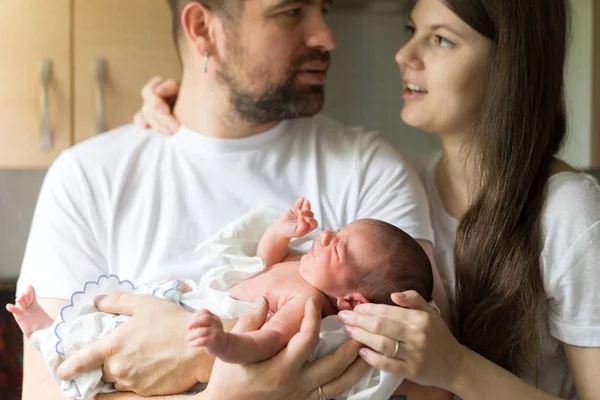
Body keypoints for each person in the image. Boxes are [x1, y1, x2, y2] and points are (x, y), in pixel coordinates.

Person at [136, 0, 600, 398]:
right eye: (410, 30)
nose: (404, 54)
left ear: (509, 66)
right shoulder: (400, 182)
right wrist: (186, 105)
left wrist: (457, 367)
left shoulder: (569, 214)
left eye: (441, 40)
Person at [16, 0, 452, 399]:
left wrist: (205, 355)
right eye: (292, 11)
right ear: (202, 27)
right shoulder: (88, 175)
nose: (327, 36)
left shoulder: (368, 169)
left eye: (324, 8)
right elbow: (45, 389)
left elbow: (427, 386)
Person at [10, 198, 433, 399]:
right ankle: (47, 332)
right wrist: (283, 231)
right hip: (182, 305)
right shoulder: (304, 260)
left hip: (201, 326)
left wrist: (219, 342)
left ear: (352, 303)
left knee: (108, 346)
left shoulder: (303, 306)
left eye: (337, 247)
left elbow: (261, 344)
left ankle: (45, 335)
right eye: (335, 231)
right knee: (109, 323)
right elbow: (262, 259)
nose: (324, 237)